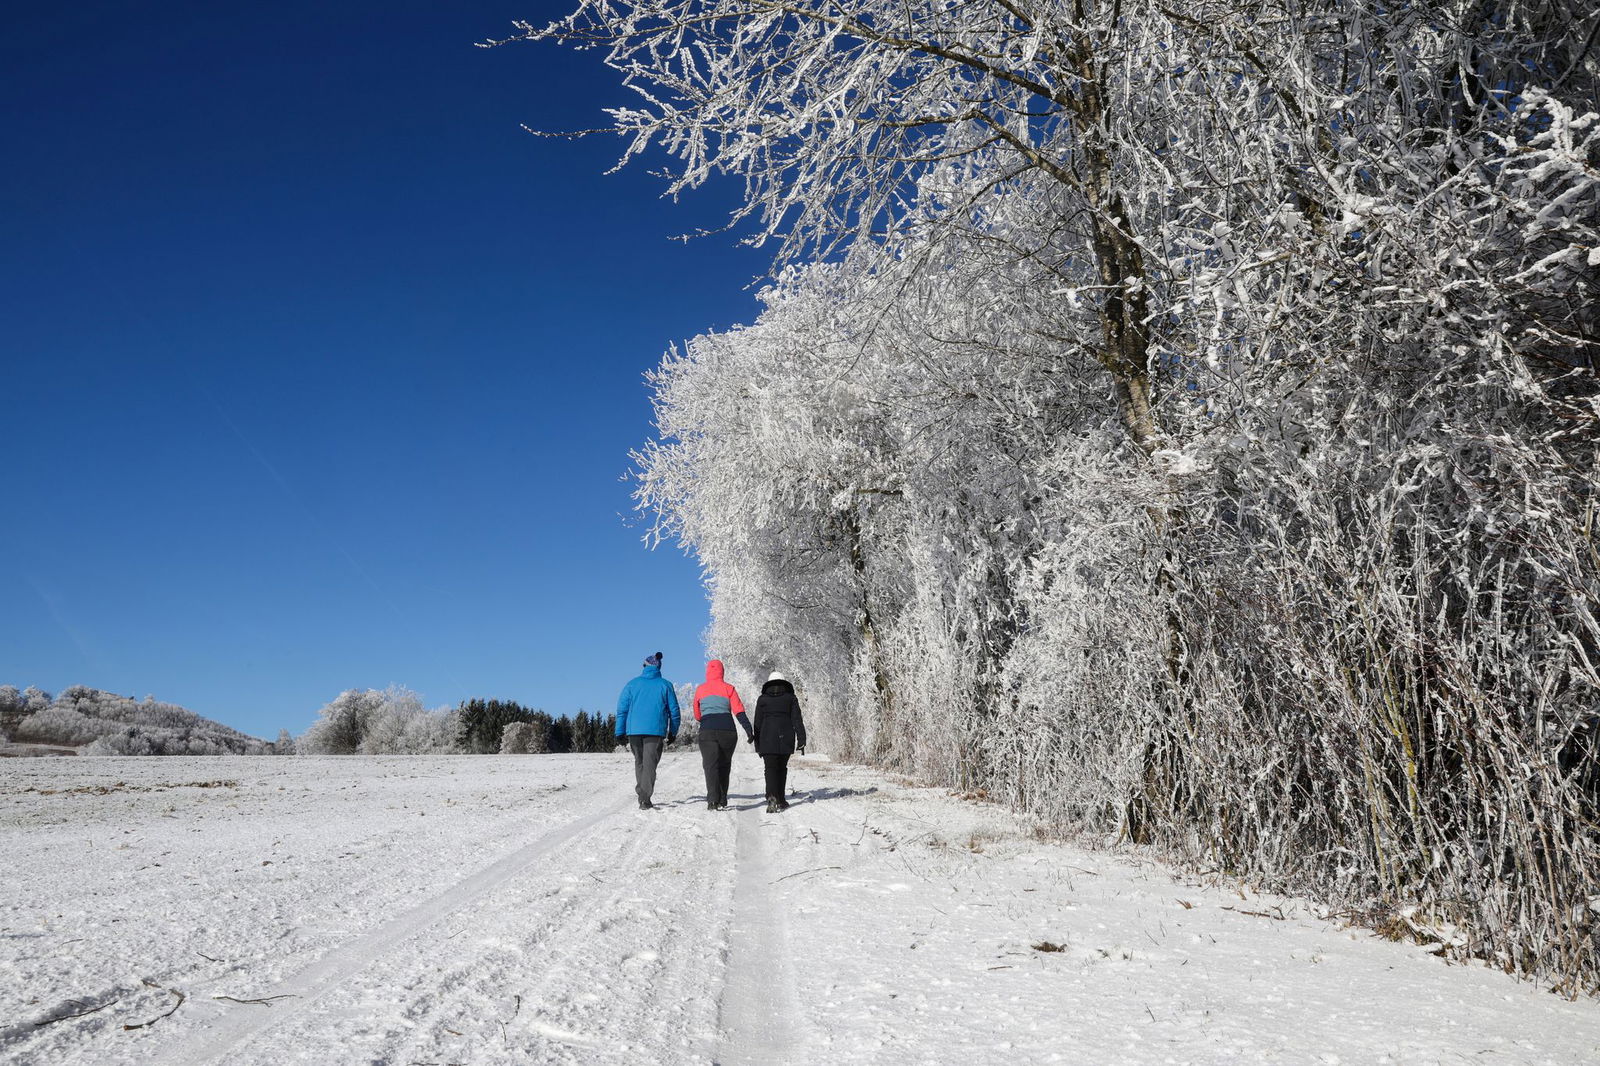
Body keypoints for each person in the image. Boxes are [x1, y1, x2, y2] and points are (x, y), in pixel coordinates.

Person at [615, 651, 680, 809]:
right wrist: (673, 731)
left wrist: (619, 732)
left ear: (645, 666)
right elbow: (674, 712)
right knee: (650, 764)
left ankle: (642, 794)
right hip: (655, 731)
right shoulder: (665, 685)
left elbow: (622, 710)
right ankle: (644, 798)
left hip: (634, 731)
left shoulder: (632, 684)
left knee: (640, 762)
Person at [692, 659, 754, 811]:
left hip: (707, 730)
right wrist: (748, 730)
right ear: (722, 671)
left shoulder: (700, 689)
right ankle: (723, 798)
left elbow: (697, 714)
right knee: (725, 764)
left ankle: (713, 800)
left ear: (708, 671)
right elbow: (738, 711)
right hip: (728, 730)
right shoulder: (729, 688)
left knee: (710, 765)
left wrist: (707, 717)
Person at [752, 671, 806, 813]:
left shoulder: (762, 699)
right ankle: (781, 800)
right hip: (786, 737)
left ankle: (771, 797)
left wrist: (757, 743)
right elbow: (797, 720)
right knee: (782, 768)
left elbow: (757, 723)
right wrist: (802, 740)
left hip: (767, 737)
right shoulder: (791, 698)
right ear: (784, 683)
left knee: (770, 769)